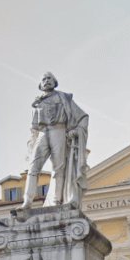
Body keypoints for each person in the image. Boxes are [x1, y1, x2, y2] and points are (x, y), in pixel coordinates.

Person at [21, 72, 89, 209]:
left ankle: (57, 202)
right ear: (40, 85)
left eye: (49, 78)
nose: (47, 81)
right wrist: (31, 145)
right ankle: (27, 202)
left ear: (55, 82)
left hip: (59, 130)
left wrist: (76, 130)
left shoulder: (64, 98)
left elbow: (83, 117)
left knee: (59, 168)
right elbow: (33, 128)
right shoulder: (37, 103)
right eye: (44, 79)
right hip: (42, 133)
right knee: (33, 168)